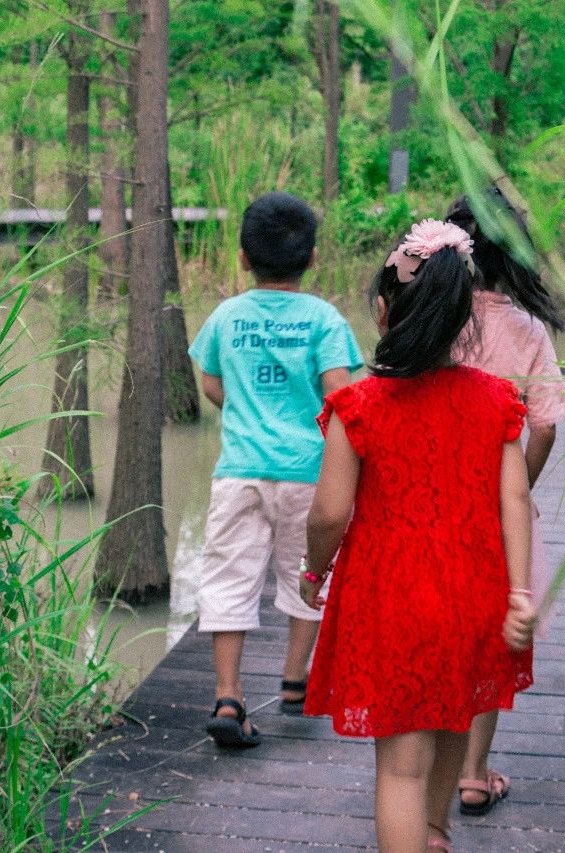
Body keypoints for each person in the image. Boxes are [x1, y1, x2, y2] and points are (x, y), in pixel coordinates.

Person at [300, 219, 538, 852]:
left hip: (392, 599)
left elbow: (328, 514)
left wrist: (313, 570)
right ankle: (435, 835)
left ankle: (421, 835)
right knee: (453, 725)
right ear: (463, 318)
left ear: (382, 311)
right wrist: (520, 591)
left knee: (400, 768)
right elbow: (514, 497)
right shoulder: (496, 400)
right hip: (474, 595)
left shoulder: (359, 405)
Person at [187, 191, 364, 749]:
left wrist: (243, 410)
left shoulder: (226, 315)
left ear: (242, 256)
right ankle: (294, 682)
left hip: (239, 470)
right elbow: (342, 394)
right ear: (313, 259)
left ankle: (228, 694)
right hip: (309, 473)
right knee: (309, 572)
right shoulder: (324, 320)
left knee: (228, 578)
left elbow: (211, 382)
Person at [446, 188, 565, 816]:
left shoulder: (432, 319)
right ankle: (472, 773)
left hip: (431, 505)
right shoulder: (527, 331)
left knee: (443, 633)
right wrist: (516, 488)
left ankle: (429, 768)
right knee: (495, 637)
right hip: (498, 513)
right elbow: (545, 424)